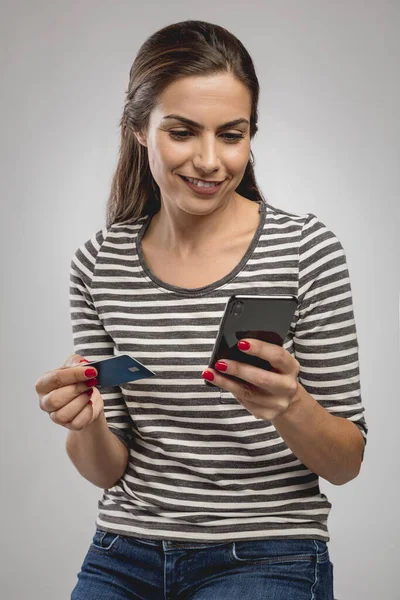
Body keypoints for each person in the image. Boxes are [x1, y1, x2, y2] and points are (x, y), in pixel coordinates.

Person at [35, 20, 367, 600]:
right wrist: (85, 424)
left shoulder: (306, 251)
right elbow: (108, 470)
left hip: (269, 552)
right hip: (123, 551)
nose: (211, 161)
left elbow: (345, 462)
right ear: (140, 129)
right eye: (183, 132)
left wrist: (291, 406)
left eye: (232, 134)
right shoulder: (98, 262)